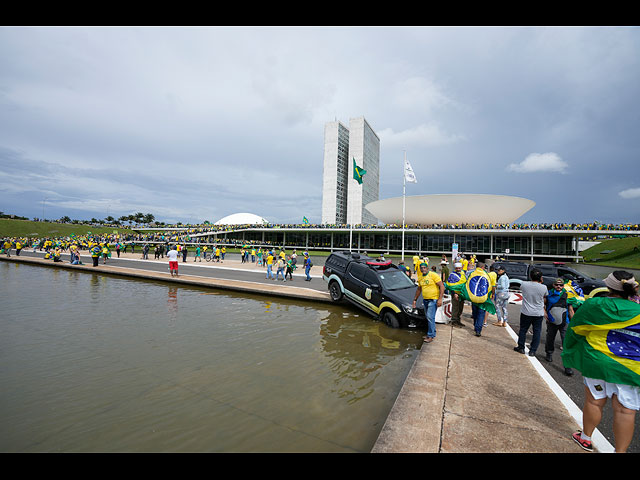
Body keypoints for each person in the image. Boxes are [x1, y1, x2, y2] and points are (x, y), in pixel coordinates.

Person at [562, 270, 640, 453]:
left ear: (609, 287)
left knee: (594, 402)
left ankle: (586, 438)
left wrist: (571, 349)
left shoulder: (596, 304)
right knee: (626, 411)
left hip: (598, 361)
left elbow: (577, 328)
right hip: (631, 367)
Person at [514, 268, 547, 356]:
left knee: (523, 330)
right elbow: (545, 296)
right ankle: (533, 350)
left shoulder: (524, 284)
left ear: (530, 276)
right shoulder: (544, 287)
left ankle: (521, 347)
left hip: (526, 312)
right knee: (537, 332)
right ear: (541, 278)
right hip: (538, 313)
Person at [544, 278, 573, 376]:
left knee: (566, 342)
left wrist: (573, 322)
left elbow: (570, 309)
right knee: (550, 339)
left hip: (565, 322)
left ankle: (567, 366)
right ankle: (549, 353)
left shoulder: (567, 295)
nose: (559, 287)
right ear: (553, 285)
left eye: (560, 285)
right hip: (552, 321)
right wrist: (545, 314)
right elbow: (543, 304)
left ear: (563, 286)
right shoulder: (548, 294)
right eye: (557, 285)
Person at [412, 261, 444, 343]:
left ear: (427, 268)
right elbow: (419, 289)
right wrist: (415, 300)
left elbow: (441, 286)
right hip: (425, 300)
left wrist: (440, 299)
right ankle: (431, 333)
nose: (423, 269)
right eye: (421, 268)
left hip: (433, 300)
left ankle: (430, 335)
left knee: (430, 317)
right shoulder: (420, 277)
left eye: (424, 268)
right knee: (429, 317)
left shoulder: (433, 275)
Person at [448, 262, 466, 328]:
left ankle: (458, 320)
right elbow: (450, 285)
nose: (458, 269)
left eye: (459, 268)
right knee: (455, 308)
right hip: (455, 294)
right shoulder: (452, 275)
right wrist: (454, 293)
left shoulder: (463, 273)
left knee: (460, 308)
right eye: (457, 268)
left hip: (461, 294)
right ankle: (454, 321)